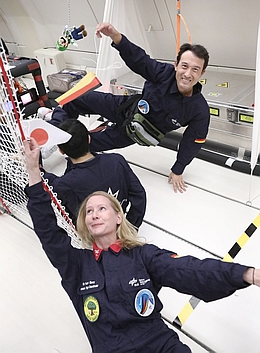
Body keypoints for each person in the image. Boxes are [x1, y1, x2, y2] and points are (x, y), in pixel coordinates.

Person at [24, 137, 260, 353]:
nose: (94, 214)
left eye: (102, 208)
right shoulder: (75, 265)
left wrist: (245, 274)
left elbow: (188, 269)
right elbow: (47, 230)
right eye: (89, 211)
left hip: (160, 345)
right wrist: (34, 173)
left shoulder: (142, 256)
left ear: (118, 217)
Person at [43, 22, 210, 194]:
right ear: (176, 64)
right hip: (125, 108)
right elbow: (140, 60)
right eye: (184, 66)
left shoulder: (199, 111)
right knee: (77, 98)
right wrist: (115, 36)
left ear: (202, 73)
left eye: (195, 69)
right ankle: (53, 129)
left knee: (83, 146)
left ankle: (61, 139)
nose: (188, 74)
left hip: (133, 133)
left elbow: (192, 142)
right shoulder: (164, 73)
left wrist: (178, 169)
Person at [41, 118, 146, 228]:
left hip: (92, 236)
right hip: (119, 223)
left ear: (61, 150)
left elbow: (45, 184)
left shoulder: (65, 184)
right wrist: (131, 227)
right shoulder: (117, 160)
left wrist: (37, 168)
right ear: (89, 139)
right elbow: (139, 195)